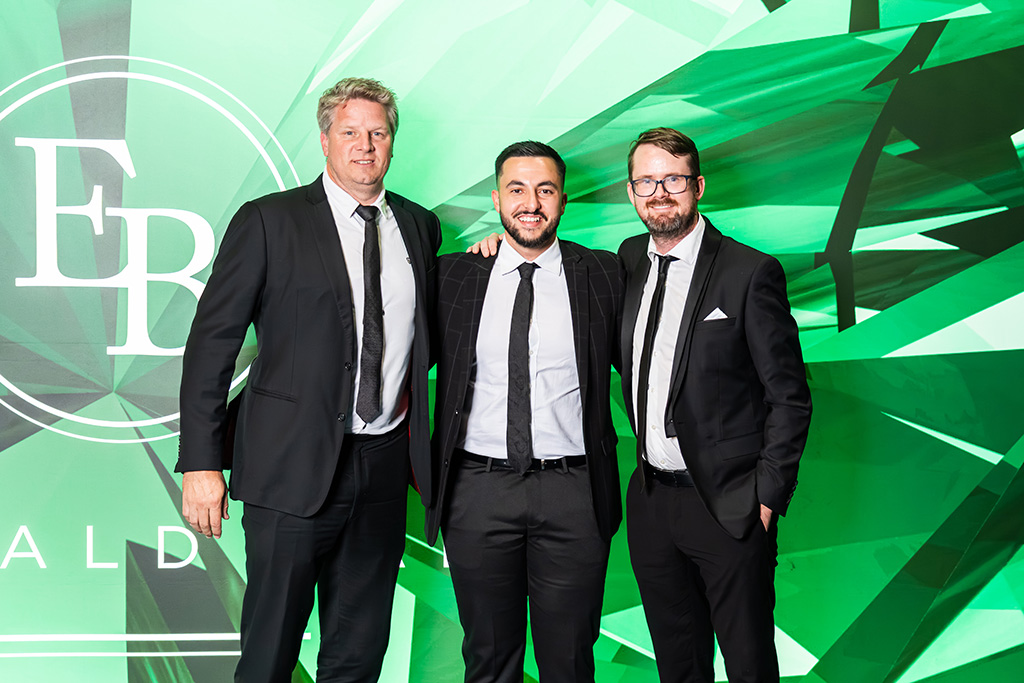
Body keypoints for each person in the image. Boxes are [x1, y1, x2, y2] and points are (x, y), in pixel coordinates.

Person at [176, 77, 441, 682]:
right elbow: (212, 346)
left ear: (392, 142)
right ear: (325, 141)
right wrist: (201, 464)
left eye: (378, 133)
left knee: (360, 651)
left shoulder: (419, 227)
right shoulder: (269, 221)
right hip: (287, 466)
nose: (365, 145)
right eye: (350, 132)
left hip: (382, 468)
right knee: (270, 651)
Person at [619, 127, 812, 682]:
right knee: (677, 664)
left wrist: (766, 498)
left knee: (748, 663)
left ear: (698, 186)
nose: (660, 193)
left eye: (673, 179)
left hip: (729, 503)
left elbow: (790, 397)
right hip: (651, 500)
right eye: (646, 181)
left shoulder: (750, 272)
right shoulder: (628, 260)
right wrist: (496, 245)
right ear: (631, 192)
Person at [427, 141, 623, 683]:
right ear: (496, 199)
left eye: (545, 190)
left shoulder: (605, 273)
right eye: (516, 189)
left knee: (569, 660)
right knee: (489, 659)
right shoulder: (453, 276)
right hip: (478, 489)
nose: (530, 203)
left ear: (563, 200)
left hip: (574, 491)